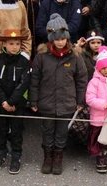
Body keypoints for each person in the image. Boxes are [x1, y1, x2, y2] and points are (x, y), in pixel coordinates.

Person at [30, 14, 87, 175]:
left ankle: (58, 157)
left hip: (67, 102)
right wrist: (33, 100)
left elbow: (81, 79)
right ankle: (47, 156)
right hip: (46, 101)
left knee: (62, 131)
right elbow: (35, 79)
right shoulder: (41, 56)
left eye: (63, 38)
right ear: (51, 39)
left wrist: (80, 100)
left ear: (67, 38)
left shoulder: (75, 56)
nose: (60, 42)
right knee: (47, 130)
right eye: (57, 39)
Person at [0, 29, 31, 174]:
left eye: (17, 44)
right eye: (11, 43)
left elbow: (24, 83)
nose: (14, 47)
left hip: (17, 104)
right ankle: (1, 153)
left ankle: (16, 156)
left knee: (16, 131)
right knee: (1, 130)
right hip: (1, 103)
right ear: (4, 43)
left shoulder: (24, 61)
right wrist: (4, 101)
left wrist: (11, 102)